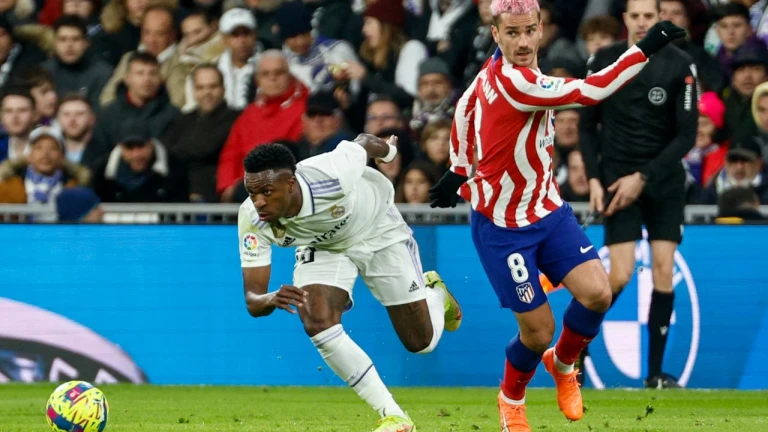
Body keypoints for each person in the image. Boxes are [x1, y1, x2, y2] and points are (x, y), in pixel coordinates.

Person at [427, 0, 685, 429]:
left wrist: (457, 168)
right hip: (503, 225)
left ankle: (563, 365)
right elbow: (593, 90)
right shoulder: (518, 82)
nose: (523, 41)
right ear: (496, 34)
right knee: (538, 331)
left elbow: (466, 105)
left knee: (598, 293)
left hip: (547, 210)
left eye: (529, 30)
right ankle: (511, 398)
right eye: (512, 33)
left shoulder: (494, 68)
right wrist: (645, 49)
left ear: (541, 28)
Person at [237, 135, 462, 432]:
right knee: (316, 320)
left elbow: (365, 142)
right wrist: (269, 298)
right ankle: (394, 415)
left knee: (421, 343)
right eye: (252, 193)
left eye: (267, 192)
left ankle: (435, 294)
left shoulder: (330, 174)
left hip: (378, 228)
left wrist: (389, 151)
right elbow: (253, 300)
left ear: (290, 184)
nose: (259, 202)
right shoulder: (252, 218)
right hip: (324, 246)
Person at [579, 0, 699, 390]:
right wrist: (594, 179)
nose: (643, 22)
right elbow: (586, 124)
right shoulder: (604, 60)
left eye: (650, 16)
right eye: (636, 16)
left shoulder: (680, 64)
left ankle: (656, 374)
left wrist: (644, 177)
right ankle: (574, 348)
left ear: (659, 17)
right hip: (616, 180)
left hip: (662, 181)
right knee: (621, 274)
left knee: (663, 270)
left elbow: (686, 135)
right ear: (625, 19)